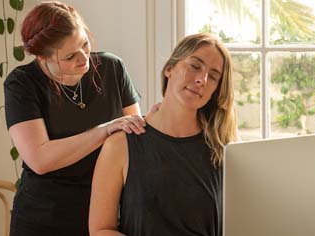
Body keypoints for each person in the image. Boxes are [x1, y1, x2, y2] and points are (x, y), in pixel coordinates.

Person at [4, 1, 147, 235]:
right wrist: (103, 130)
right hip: (44, 218)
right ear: (43, 58)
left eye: (85, 44)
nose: (83, 59)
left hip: (105, 214)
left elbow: (135, 140)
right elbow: (40, 159)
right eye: (70, 56)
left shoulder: (112, 68)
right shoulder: (22, 83)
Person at [89, 33, 239, 236]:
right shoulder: (120, 144)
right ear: (170, 68)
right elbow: (100, 230)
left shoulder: (224, 151)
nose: (202, 79)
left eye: (213, 76)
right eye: (195, 66)